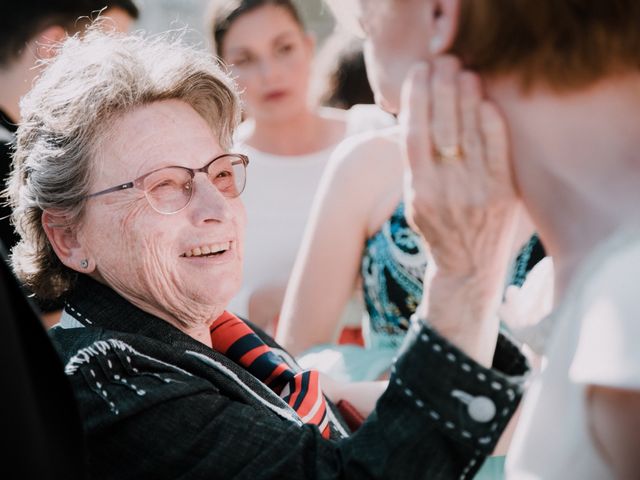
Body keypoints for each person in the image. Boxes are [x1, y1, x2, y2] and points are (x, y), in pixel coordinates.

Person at [7, 27, 527, 479]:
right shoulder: (106, 377)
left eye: (222, 174)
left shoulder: (227, 339)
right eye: (164, 186)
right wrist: (464, 271)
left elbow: (351, 414)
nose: (217, 207)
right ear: (68, 237)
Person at [323, 0, 640, 478]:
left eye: (366, 26)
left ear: (439, 15)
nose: (379, 97)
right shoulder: (558, 285)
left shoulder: (626, 300)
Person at [207, 0, 395, 329]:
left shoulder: (375, 134)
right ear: (223, 71)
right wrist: (262, 300)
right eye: (245, 59)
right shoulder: (218, 170)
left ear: (309, 47)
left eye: (284, 48)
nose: (270, 73)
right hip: (275, 369)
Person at [0, 0, 139, 327]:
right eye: (109, 50)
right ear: (52, 47)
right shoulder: (21, 165)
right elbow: (55, 320)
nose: (120, 74)